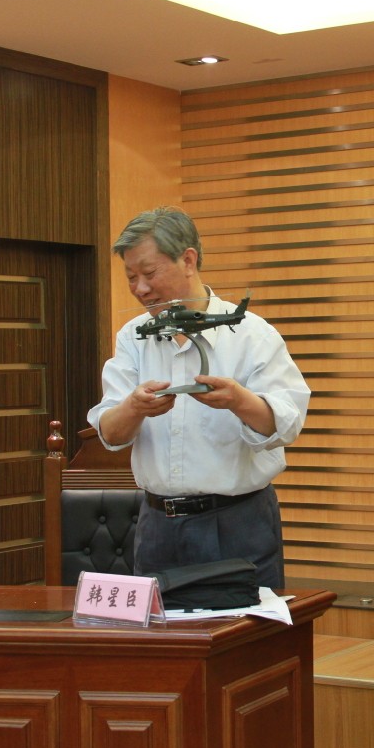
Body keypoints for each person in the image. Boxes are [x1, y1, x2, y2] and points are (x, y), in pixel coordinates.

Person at [87, 206, 310, 589]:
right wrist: (134, 407)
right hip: (157, 525)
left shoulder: (253, 335)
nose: (140, 288)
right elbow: (110, 432)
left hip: (238, 522)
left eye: (149, 273)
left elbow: (286, 424)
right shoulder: (133, 336)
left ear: (188, 260)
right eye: (131, 277)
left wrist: (239, 400)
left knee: (243, 626)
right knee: (159, 628)